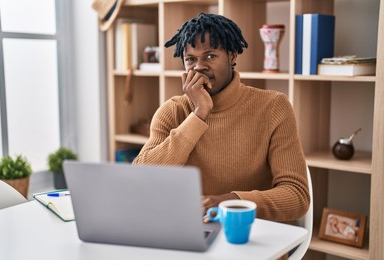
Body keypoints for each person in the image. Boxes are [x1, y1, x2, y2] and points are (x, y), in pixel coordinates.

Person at [132, 13, 309, 222]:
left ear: (232, 56)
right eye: (190, 59)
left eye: (210, 56)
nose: (199, 66)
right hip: (190, 230)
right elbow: (141, 179)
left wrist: (230, 203)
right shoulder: (173, 111)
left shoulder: (273, 107)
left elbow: (296, 196)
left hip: (251, 234)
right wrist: (198, 114)